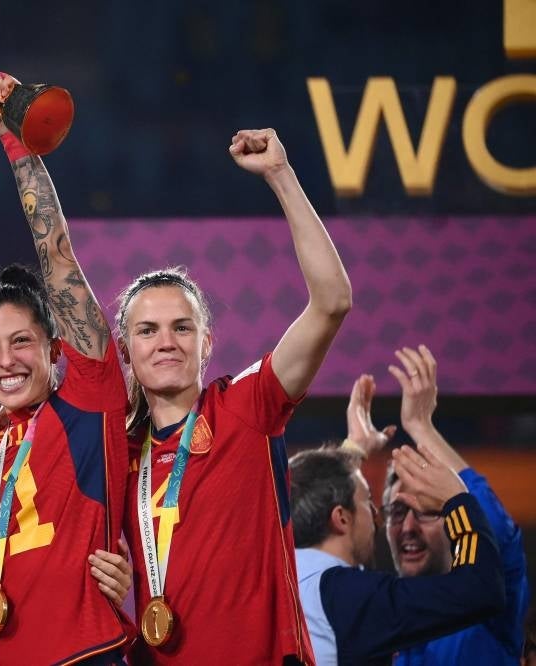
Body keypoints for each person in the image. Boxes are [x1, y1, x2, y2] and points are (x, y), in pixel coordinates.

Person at [116, 129, 352, 664]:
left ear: (207, 345)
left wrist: (279, 175)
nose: (166, 342)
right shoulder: (118, 454)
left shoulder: (246, 407)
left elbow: (332, 301)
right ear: (126, 354)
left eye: (182, 327)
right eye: (147, 331)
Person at [0, 70, 134, 664]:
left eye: (21, 342)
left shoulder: (87, 407)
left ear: (57, 350)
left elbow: (56, 256)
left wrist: (15, 141)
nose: (4, 361)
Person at [289, 372, 506, 665]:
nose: (377, 517)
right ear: (341, 518)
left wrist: (351, 453)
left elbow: (301, 492)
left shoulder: (270, 577)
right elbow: (479, 587)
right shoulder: (350, 596)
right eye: (368, 502)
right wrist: (457, 498)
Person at [381, 345, 530, 666]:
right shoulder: (381, 617)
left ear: (455, 518)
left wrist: (421, 427)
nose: (408, 527)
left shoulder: (488, 600)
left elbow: (494, 530)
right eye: (397, 512)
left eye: (425, 511)